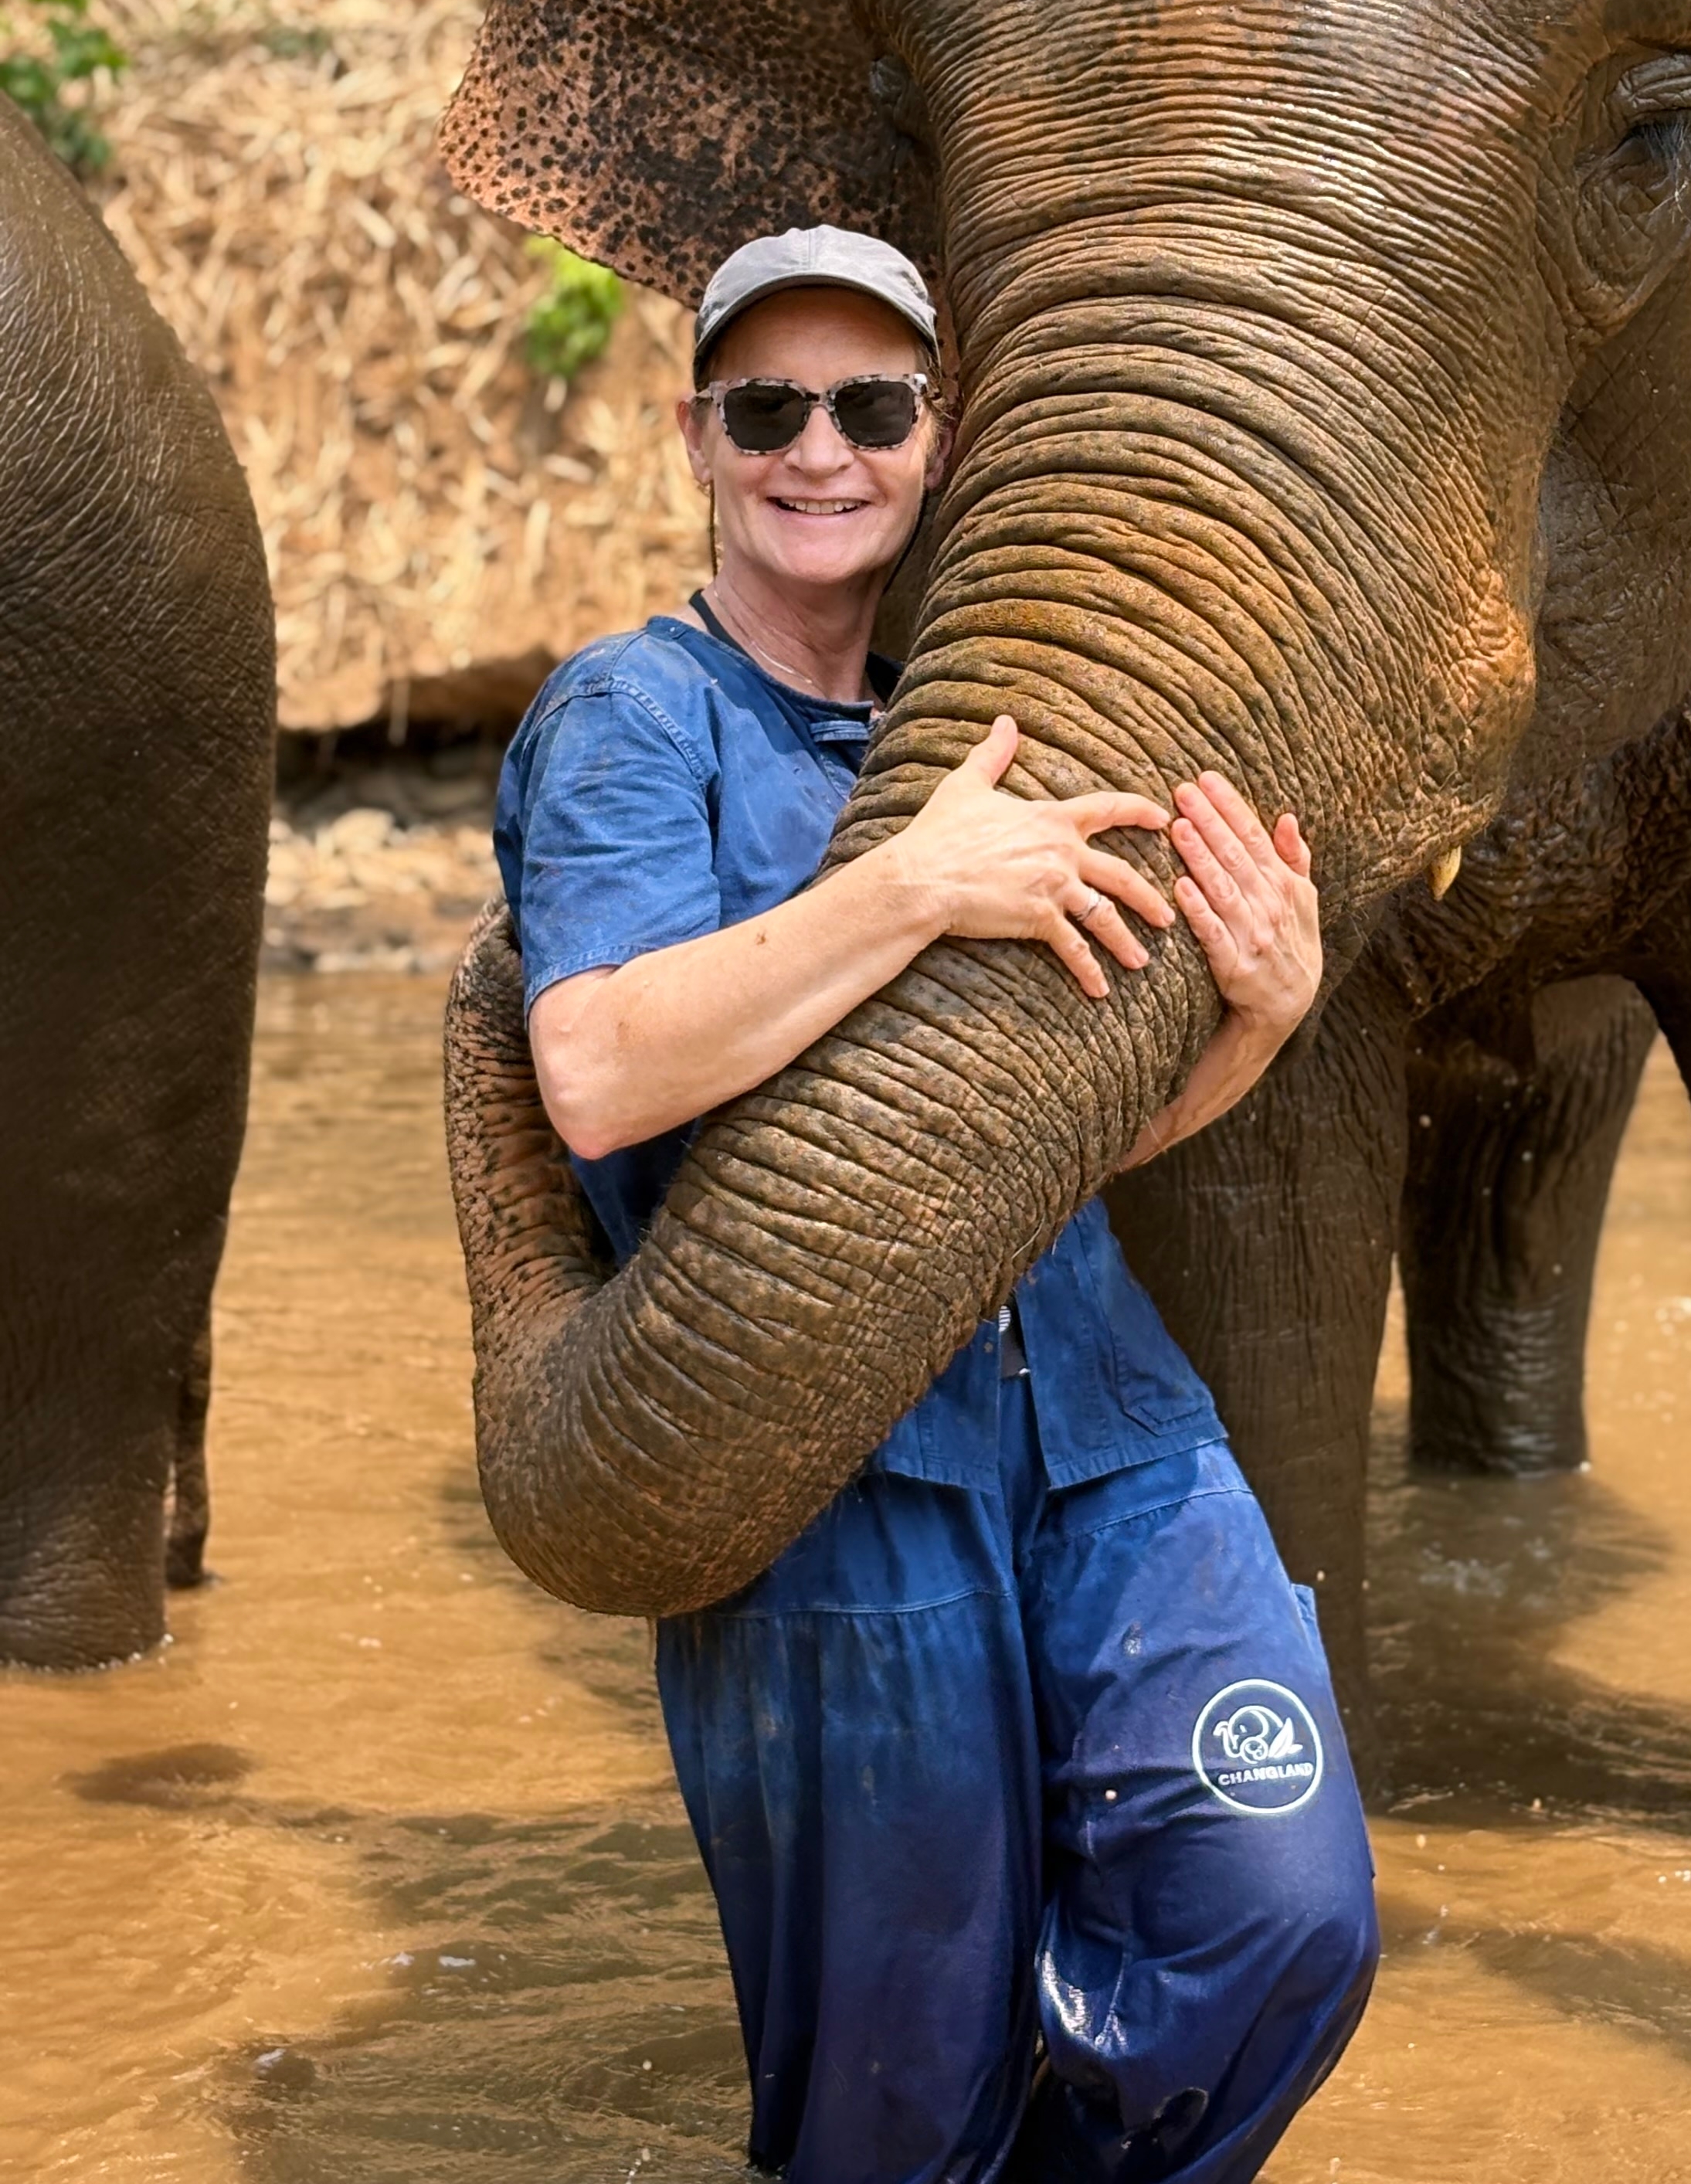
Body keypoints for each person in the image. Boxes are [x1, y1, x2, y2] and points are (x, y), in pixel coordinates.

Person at [493, 223, 1378, 2184]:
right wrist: (908, 885)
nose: (823, 451)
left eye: (872, 407)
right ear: (700, 440)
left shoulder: (1004, 714)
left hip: (1115, 1434)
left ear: (939, 436)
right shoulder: (640, 718)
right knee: (894, 2106)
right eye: (772, 410)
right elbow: (602, 1066)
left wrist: (1261, 1018)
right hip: (827, 1477)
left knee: (1283, 1915)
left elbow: (1059, 1141)